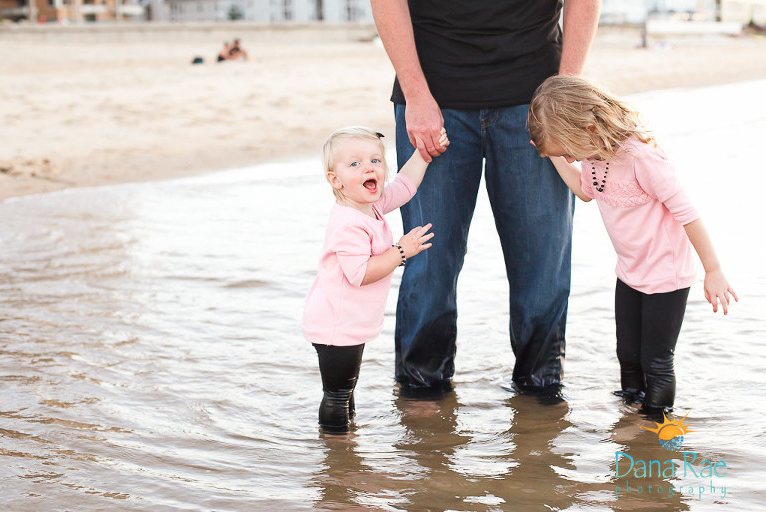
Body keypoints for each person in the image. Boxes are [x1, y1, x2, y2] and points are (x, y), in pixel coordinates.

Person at [369, 0, 601, 394]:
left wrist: (563, 95)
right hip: (433, 97)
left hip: (535, 99)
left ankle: (540, 392)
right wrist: (416, 93)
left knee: (542, 262)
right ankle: (421, 389)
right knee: (428, 261)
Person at [527, 74, 738, 416]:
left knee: (656, 360)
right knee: (627, 353)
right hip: (629, 271)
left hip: (667, 276)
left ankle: (654, 425)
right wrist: (553, 155)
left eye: (567, 148)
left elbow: (688, 213)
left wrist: (713, 270)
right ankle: (629, 410)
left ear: (586, 129)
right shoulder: (594, 156)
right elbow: (584, 191)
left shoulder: (642, 159)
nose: (569, 156)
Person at [303, 126, 449, 433]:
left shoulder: (371, 206)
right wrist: (401, 251)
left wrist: (423, 155)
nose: (369, 167)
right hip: (335, 324)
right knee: (338, 394)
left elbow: (405, 186)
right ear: (335, 180)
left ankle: (346, 441)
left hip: (347, 323)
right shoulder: (349, 223)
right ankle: (337, 453)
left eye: (375, 160)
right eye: (354, 164)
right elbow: (359, 274)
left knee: (346, 390)